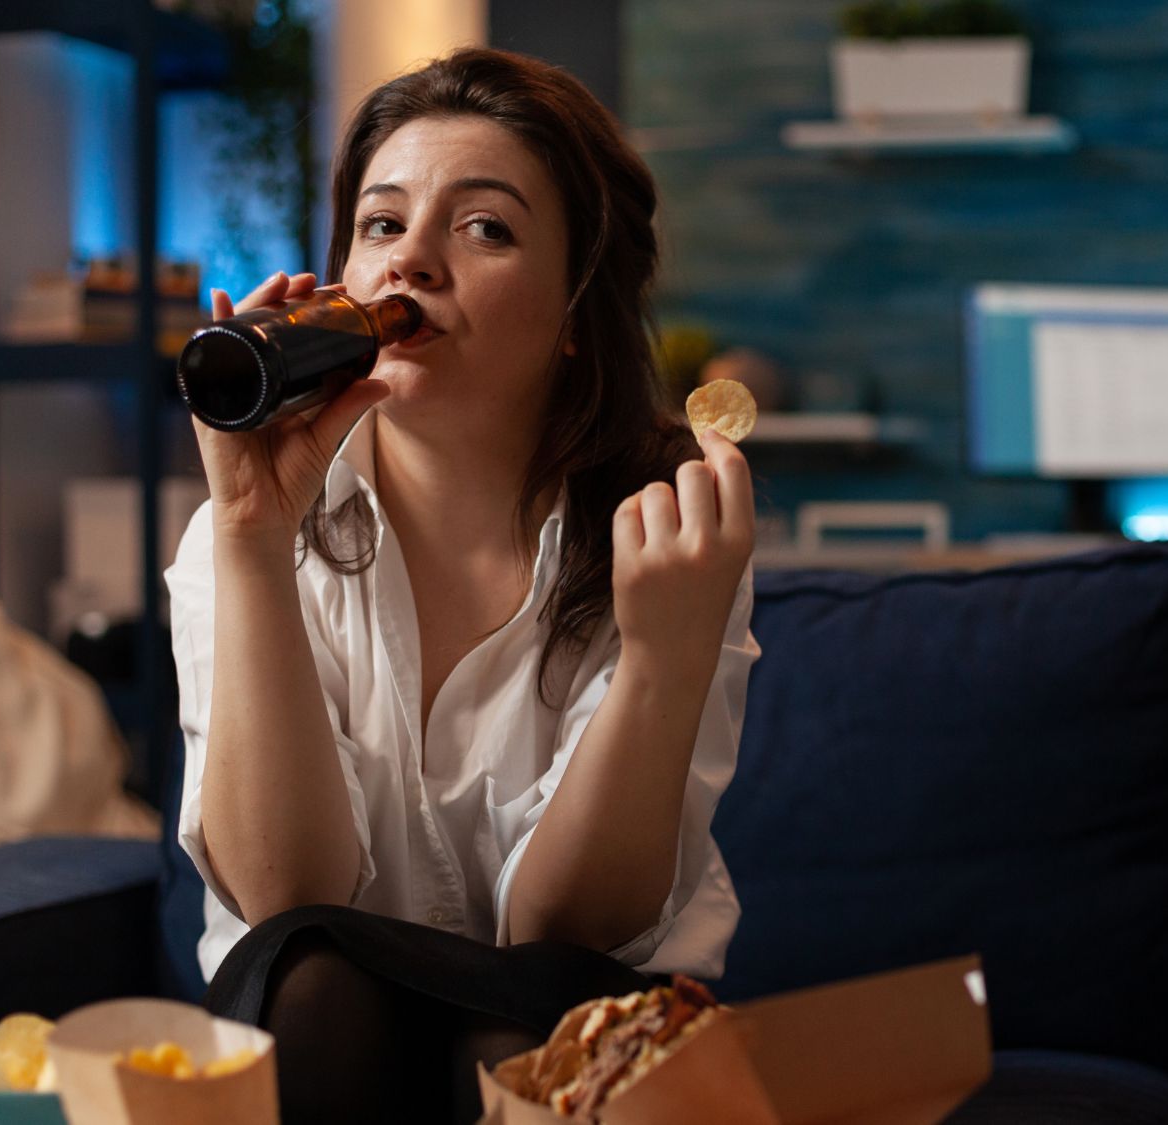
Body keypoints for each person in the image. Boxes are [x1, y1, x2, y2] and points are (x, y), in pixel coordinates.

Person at [162, 46, 759, 1123]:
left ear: (578, 309)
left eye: (484, 227)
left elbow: (566, 932)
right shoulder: (238, 537)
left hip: (570, 1039)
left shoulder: (667, 539)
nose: (413, 263)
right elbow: (282, 904)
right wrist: (253, 538)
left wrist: (663, 663)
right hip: (317, 1029)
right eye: (382, 226)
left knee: (512, 1028)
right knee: (317, 981)